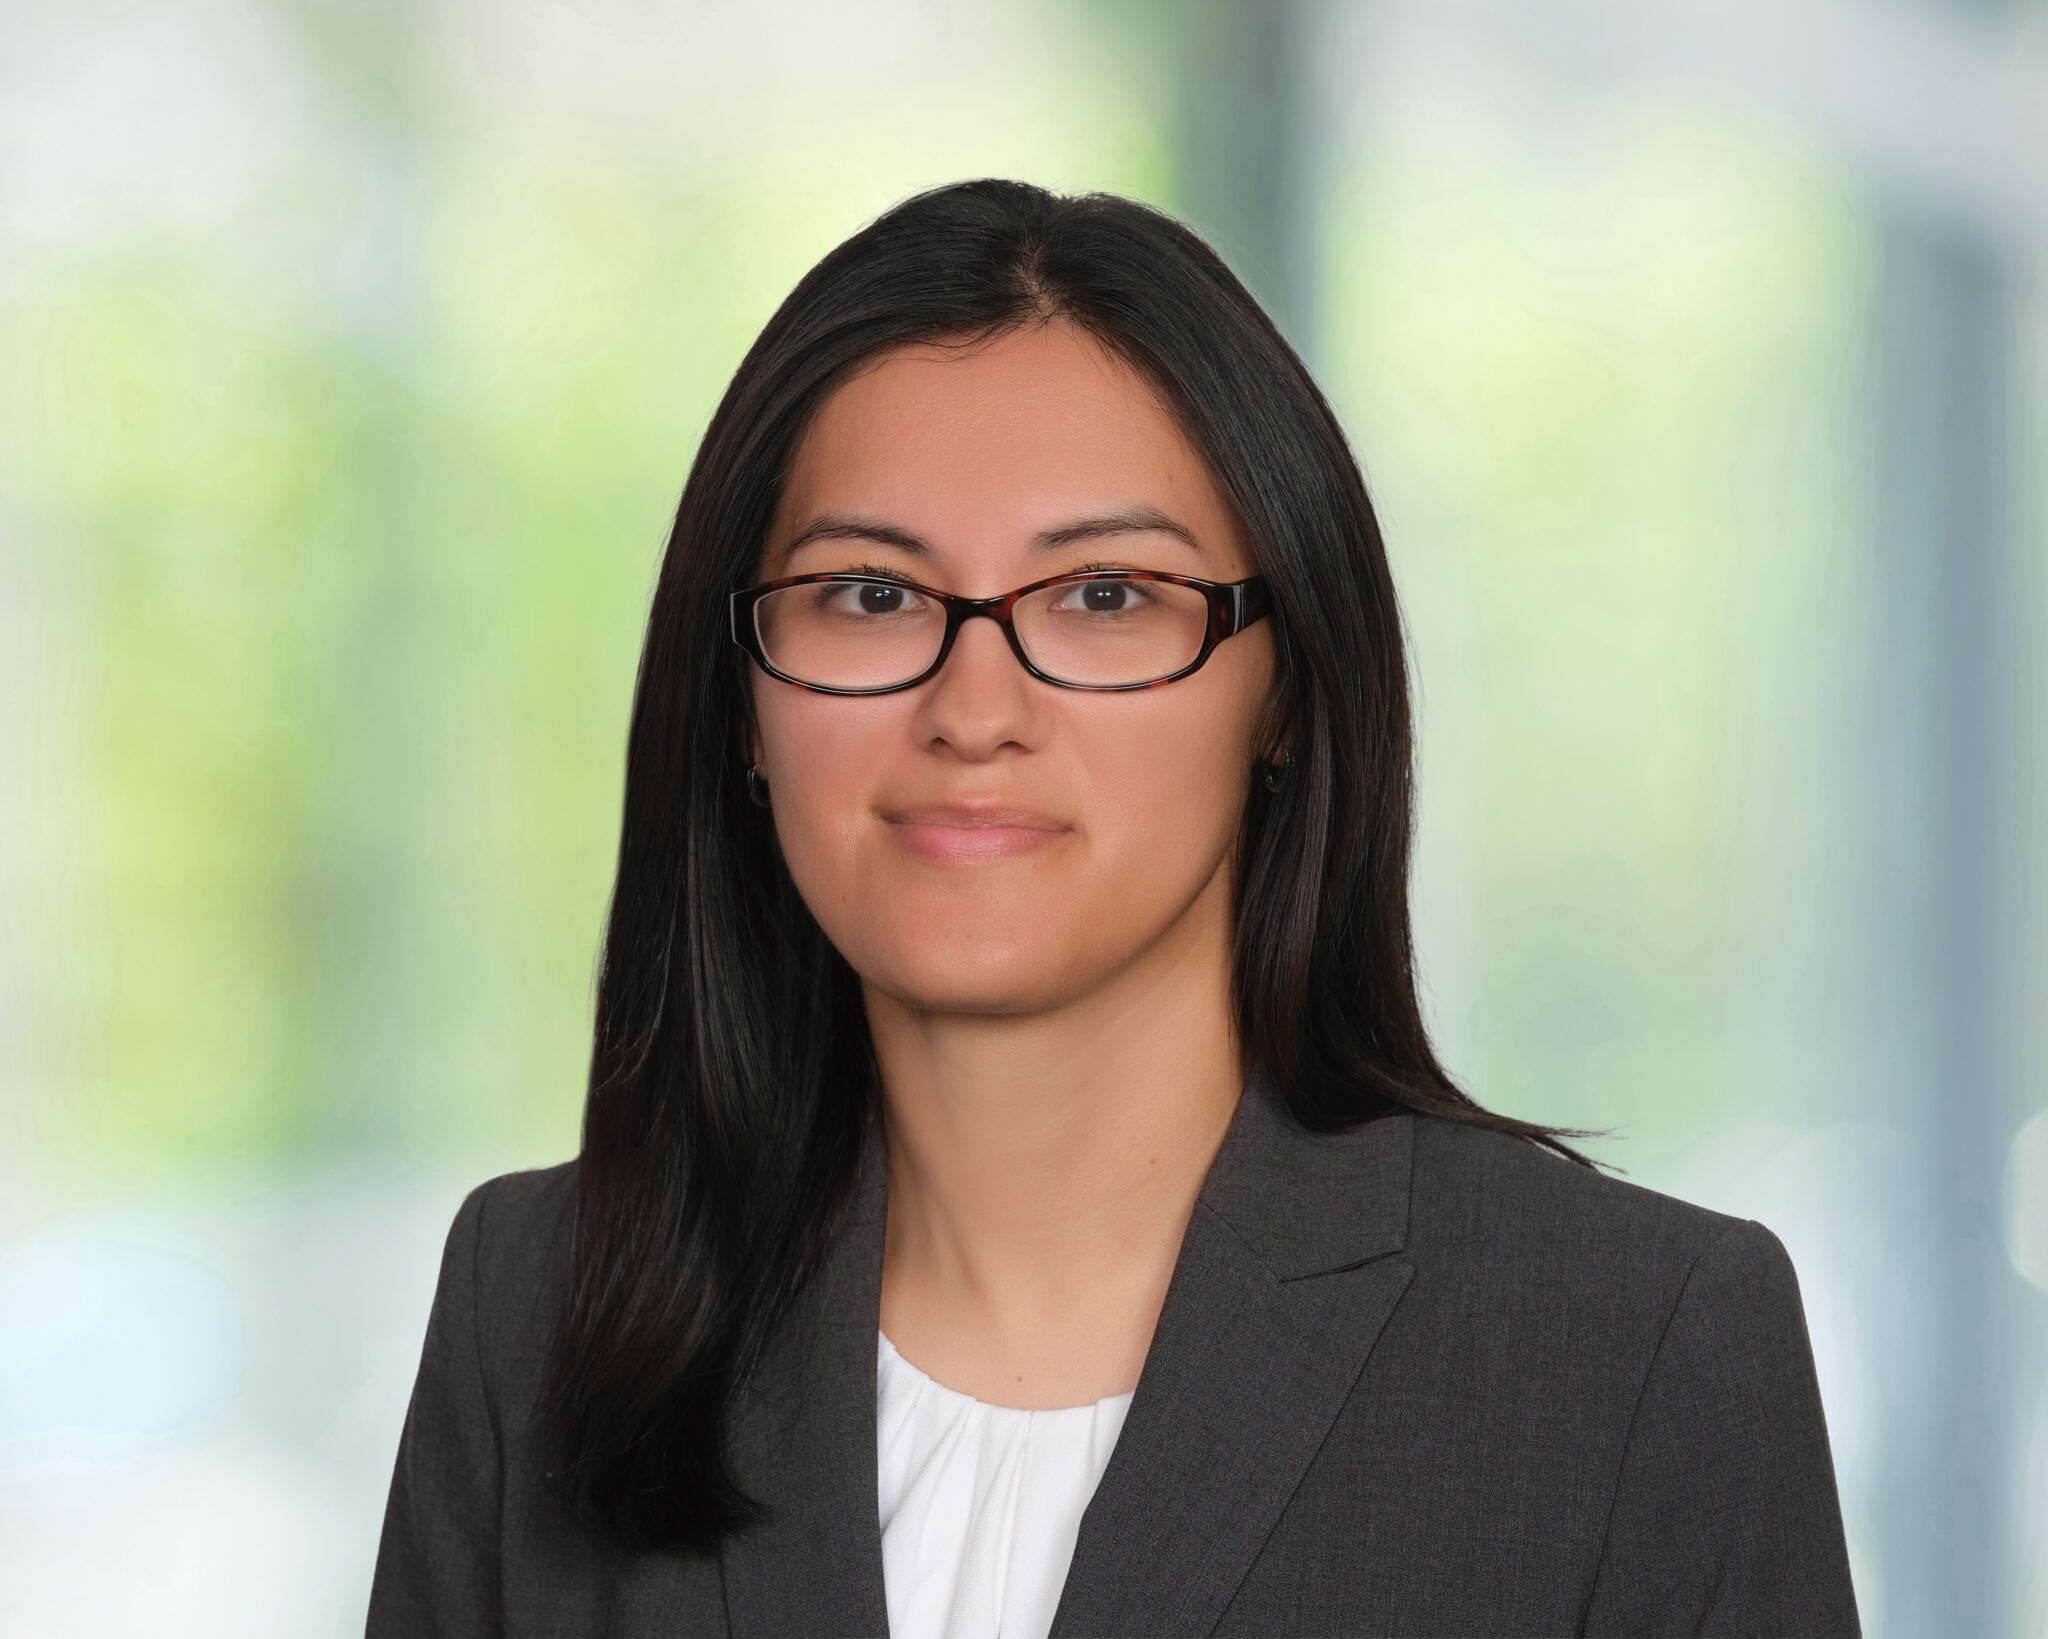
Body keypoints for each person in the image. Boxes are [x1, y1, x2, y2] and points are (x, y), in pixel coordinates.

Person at [367, 179, 1860, 1638]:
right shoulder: (535, 1309)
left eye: (1103, 596)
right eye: (871, 595)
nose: (974, 711)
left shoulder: (1636, 1348)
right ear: (742, 703)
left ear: (1287, 693)